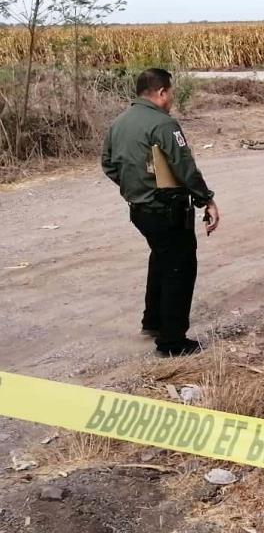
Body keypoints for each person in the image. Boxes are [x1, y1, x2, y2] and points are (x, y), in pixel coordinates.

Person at [101, 68, 220, 356]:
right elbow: (185, 168)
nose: (172, 98)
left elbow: (108, 164)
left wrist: (135, 186)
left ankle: (153, 321)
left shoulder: (120, 122)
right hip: (166, 210)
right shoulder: (164, 125)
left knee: (161, 260)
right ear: (162, 92)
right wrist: (207, 199)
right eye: (171, 92)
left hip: (140, 210)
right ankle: (172, 341)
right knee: (179, 268)